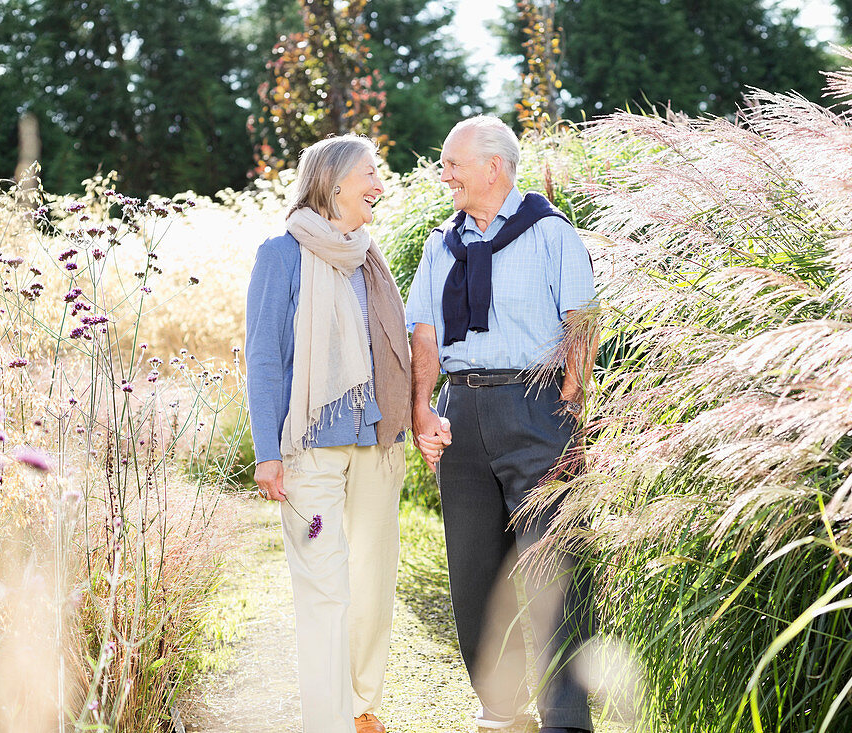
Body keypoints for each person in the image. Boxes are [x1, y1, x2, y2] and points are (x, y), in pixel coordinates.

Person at [405, 116, 596, 733]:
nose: (445, 174)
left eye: (453, 163)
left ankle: (564, 718)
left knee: (553, 563)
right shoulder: (441, 244)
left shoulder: (551, 233)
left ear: (494, 166)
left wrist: (567, 397)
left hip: (536, 405)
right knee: (472, 568)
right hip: (462, 413)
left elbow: (581, 319)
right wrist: (421, 406)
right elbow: (426, 334)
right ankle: (500, 707)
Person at [245, 134, 411, 733]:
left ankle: (362, 703)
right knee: (324, 585)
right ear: (335, 181)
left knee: (372, 579)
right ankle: (328, 721)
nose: (379, 183)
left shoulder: (368, 254)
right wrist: (268, 454)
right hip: (309, 449)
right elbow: (264, 359)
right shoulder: (281, 255)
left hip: (376, 443)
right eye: (371, 172)